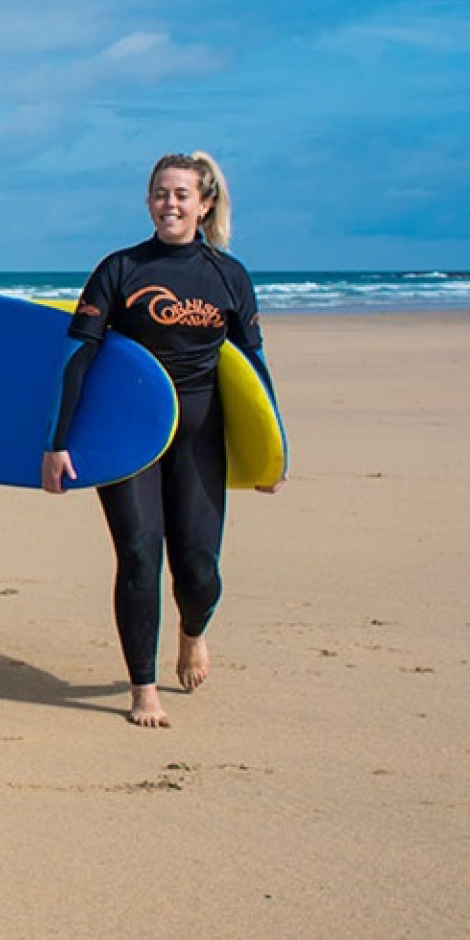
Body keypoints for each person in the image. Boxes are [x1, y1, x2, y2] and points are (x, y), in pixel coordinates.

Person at [41, 152, 280, 728]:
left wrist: (273, 449)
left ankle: (193, 630)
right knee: (141, 554)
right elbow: (79, 355)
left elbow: (251, 366)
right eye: (159, 193)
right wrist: (59, 440)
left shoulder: (229, 275)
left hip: (200, 435)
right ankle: (143, 687)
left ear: (205, 204)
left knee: (199, 568)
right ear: (148, 201)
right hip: (126, 434)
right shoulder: (120, 269)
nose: (169, 204)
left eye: (180, 194)